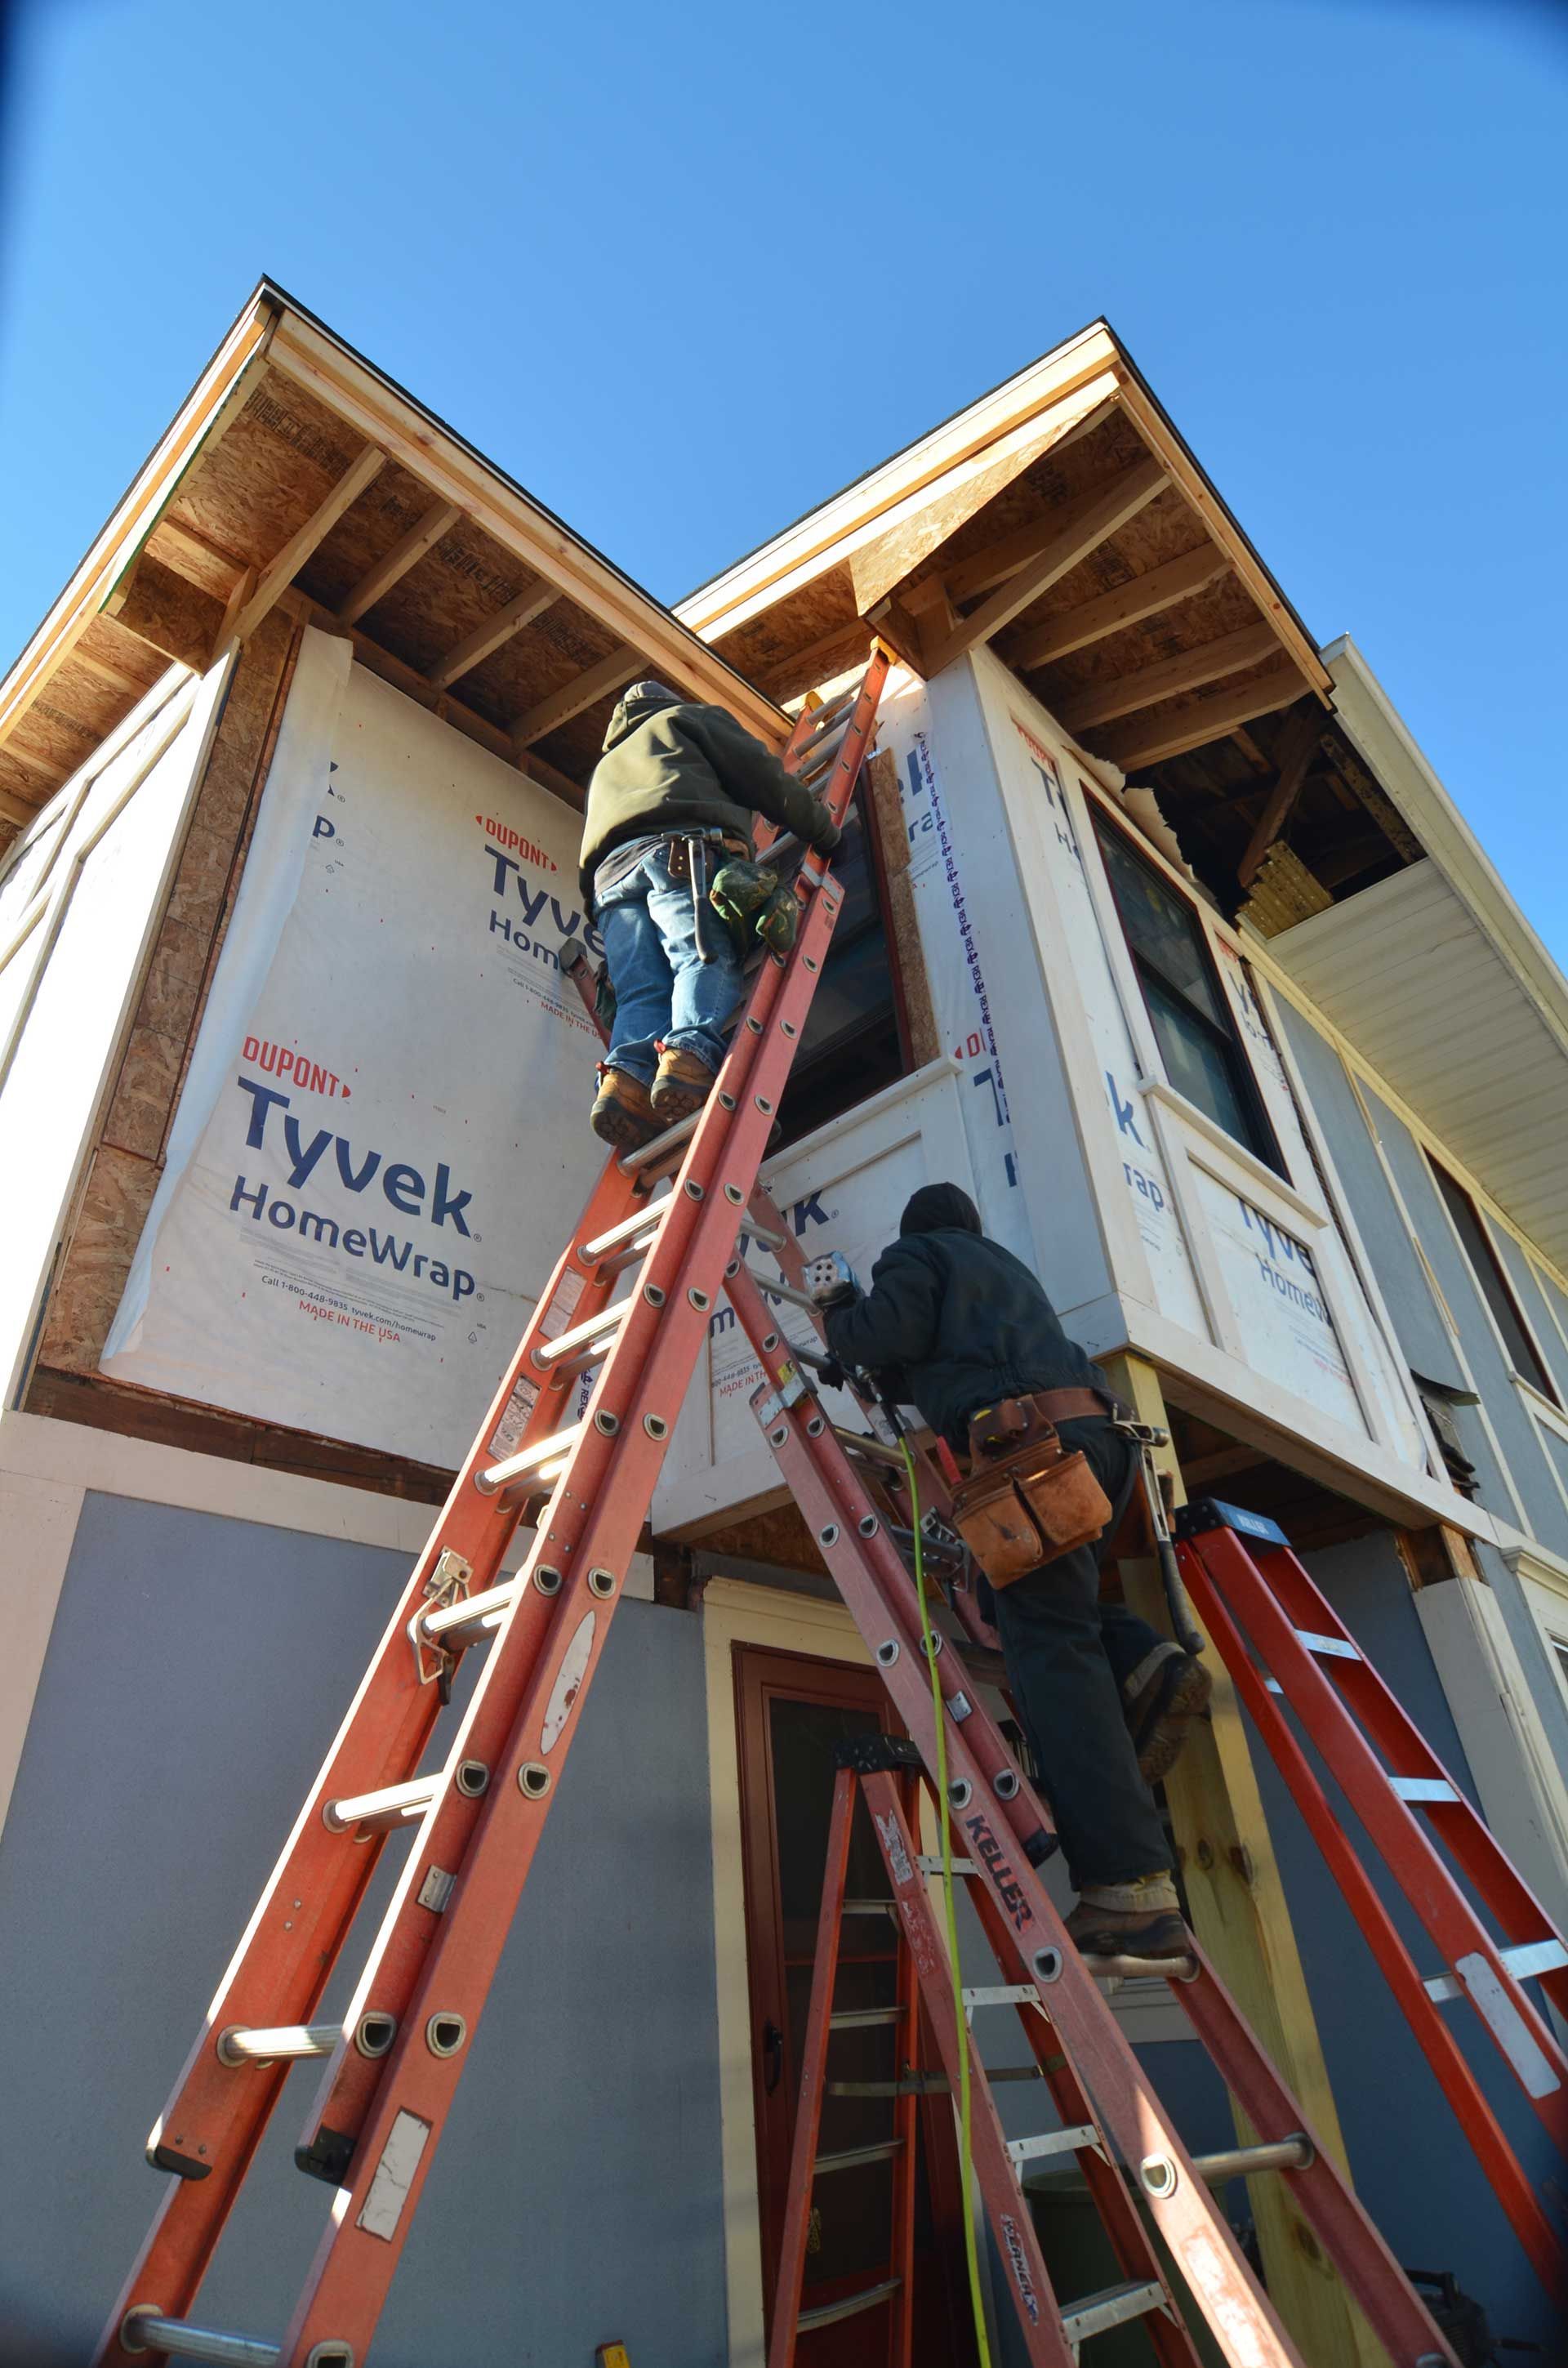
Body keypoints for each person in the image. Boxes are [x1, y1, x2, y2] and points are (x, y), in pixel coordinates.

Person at [818, 1181, 1211, 1967]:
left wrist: (838, 1314)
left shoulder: (918, 1254)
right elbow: (926, 1357)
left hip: (1032, 1454)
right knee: (1023, 1606)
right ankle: (1143, 1664)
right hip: (1096, 1444)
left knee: (1051, 1656)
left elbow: (886, 1329)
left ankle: (1132, 1895)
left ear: (919, 1231)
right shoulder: (1003, 1274)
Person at [579, 681, 842, 1148]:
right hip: (677, 854)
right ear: (666, 703)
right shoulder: (687, 720)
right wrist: (824, 832)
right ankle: (689, 1055)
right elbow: (763, 777)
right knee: (701, 956)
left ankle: (626, 1081)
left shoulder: (605, 769)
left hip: (610, 887)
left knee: (641, 990)